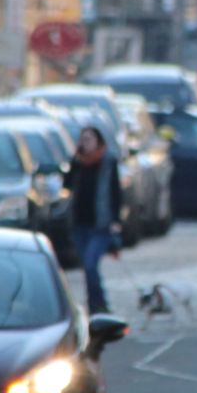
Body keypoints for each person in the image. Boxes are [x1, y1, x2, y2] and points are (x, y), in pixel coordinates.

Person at [64, 126, 124, 314]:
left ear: (98, 141)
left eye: (89, 139)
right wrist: (74, 160)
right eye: (83, 139)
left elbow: (115, 191)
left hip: (101, 224)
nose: (85, 143)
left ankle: (99, 305)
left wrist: (116, 219)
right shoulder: (78, 162)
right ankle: (95, 304)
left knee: (90, 265)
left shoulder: (108, 161)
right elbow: (67, 185)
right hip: (80, 223)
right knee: (87, 268)